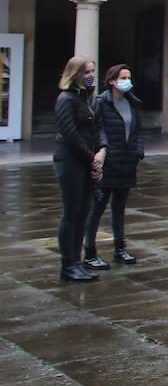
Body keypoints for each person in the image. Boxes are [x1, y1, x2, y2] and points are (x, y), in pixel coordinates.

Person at [52, 55, 106, 283]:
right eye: (86, 72)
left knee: (84, 211)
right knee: (71, 212)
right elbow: (70, 133)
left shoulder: (87, 99)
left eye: (92, 71)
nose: (90, 76)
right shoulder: (66, 99)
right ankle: (68, 264)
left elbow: (97, 127)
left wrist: (102, 150)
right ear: (75, 75)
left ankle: (78, 261)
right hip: (70, 161)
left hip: (87, 160)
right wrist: (91, 157)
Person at [84, 64, 145, 267]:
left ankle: (120, 249)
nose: (127, 81)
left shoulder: (132, 102)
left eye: (129, 77)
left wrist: (138, 151)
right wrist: (101, 153)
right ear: (111, 81)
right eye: (123, 77)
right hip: (108, 162)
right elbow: (95, 130)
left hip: (127, 162)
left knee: (119, 208)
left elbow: (137, 130)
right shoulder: (101, 102)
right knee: (98, 208)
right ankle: (90, 251)